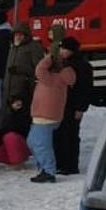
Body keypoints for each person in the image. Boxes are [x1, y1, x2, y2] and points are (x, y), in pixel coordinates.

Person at [26, 37, 77, 183]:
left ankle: (48, 171)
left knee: (41, 144)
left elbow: (39, 69)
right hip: (47, 115)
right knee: (33, 141)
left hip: (45, 115)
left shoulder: (50, 77)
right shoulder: (64, 75)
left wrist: (50, 57)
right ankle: (44, 168)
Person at [56, 37, 94, 176]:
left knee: (70, 135)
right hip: (63, 105)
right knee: (61, 134)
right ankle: (62, 163)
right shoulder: (65, 64)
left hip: (72, 106)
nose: (61, 51)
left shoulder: (82, 66)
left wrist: (81, 108)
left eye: (63, 48)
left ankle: (70, 165)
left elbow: (85, 89)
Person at [0, 97, 32, 166]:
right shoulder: (7, 114)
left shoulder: (24, 115)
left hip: (22, 141)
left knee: (11, 137)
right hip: (10, 142)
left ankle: (17, 160)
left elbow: (16, 129)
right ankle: (14, 158)